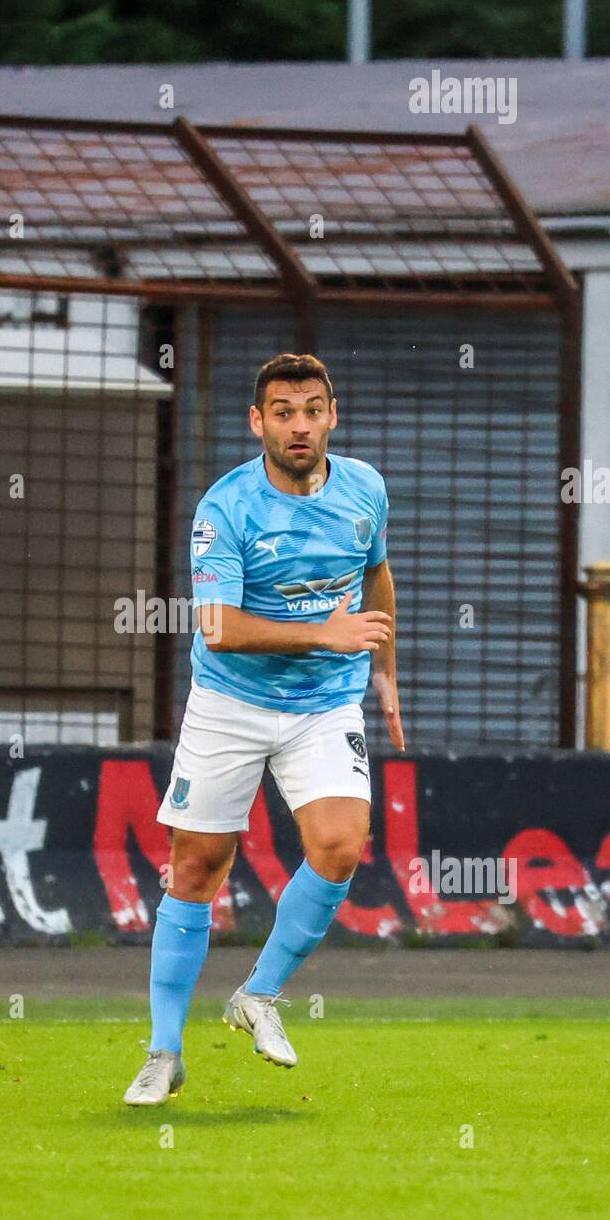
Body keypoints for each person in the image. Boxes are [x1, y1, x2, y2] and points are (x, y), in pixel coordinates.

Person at [124, 352, 404, 1106]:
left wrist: (383, 672)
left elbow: (377, 575)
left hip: (326, 701)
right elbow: (217, 628)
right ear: (258, 423)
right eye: (283, 411)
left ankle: (258, 995)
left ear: (332, 415)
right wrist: (327, 634)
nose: (300, 424)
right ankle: (163, 1051)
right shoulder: (225, 510)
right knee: (197, 868)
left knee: (342, 845)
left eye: (313, 408)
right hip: (231, 702)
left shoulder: (365, 490)